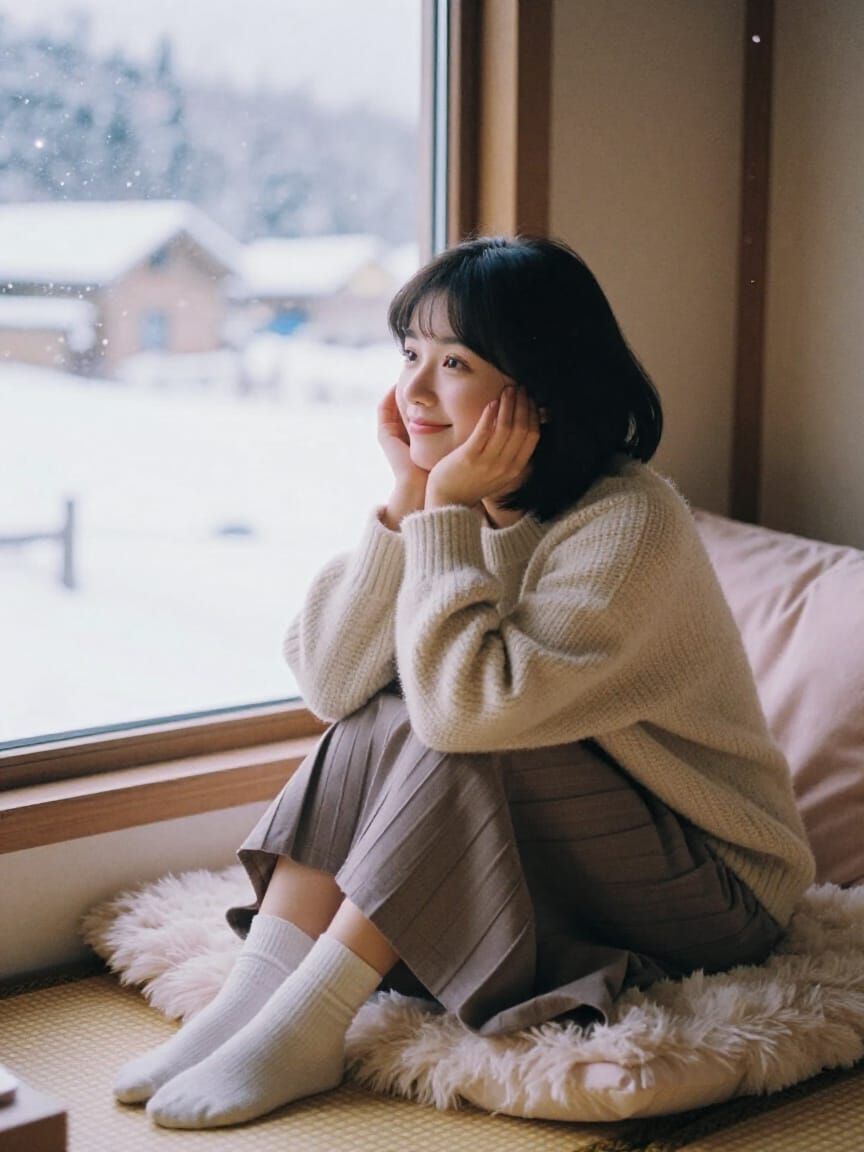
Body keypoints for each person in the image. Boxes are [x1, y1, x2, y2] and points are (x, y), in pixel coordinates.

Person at [114, 235, 815, 1130]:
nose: (413, 389)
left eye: (454, 363)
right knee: (387, 711)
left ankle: (312, 1024)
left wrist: (441, 514)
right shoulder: (457, 501)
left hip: (714, 886)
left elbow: (468, 713)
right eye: (410, 354)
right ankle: (249, 1004)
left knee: (458, 731)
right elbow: (334, 687)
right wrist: (408, 502)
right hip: (572, 847)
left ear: (542, 387)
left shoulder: (628, 522)